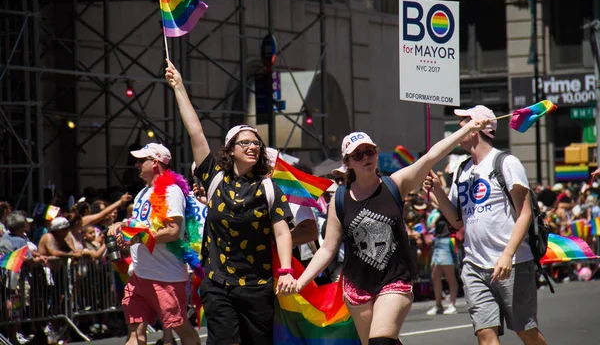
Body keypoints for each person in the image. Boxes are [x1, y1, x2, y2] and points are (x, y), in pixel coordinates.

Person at [291, 117, 490, 345]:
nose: (366, 157)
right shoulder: (340, 199)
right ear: (348, 163)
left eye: (370, 151)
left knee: (380, 341)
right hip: (357, 286)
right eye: (358, 155)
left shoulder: (396, 183)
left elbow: (431, 156)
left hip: (394, 280)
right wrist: (301, 282)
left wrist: (466, 129)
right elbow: (327, 248)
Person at [165, 60, 294, 345]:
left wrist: (285, 270)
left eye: (256, 144)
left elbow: (282, 231)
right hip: (218, 283)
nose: (252, 147)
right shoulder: (214, 179)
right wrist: (179, 87)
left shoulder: (269, 188)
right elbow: (196, 133)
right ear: (230, 150)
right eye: (244, 142)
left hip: (257, 287)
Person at [423, 105, 547, 345]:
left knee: (526, 331)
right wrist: (437, 192)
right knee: (485, 334)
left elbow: (525, 214)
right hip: (474, 265)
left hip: (512, 263)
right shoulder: (462, 169)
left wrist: (507, 255)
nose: (458, 127)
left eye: (464, 121)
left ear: (476, 127)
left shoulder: (506, 162)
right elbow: (457, 220)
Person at [108, 143, 200, 345]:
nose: (136, 164)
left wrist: (136, 238)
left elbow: (173, 231)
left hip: (165, 277)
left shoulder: (171, 191)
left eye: (141, 160)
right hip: (139, 274)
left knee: (181, 328)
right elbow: (137, 225)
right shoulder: (142, 193)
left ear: (156, 163)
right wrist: (119, 226)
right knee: (134, 333)